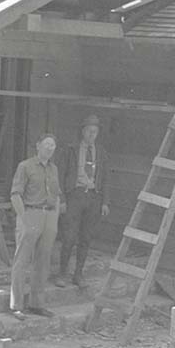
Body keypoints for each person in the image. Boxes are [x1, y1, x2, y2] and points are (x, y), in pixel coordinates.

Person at [8, 134, 63, 320]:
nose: (50, 148)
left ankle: (37, 304)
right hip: (31, 213)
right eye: (47, 144)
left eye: (53, 146)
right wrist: (24, 218)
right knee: (22, 260)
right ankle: (16, 305)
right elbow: (15, 194)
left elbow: (56, 194)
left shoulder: (53, 169)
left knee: (43, 260)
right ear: (38, 146)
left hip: (49, 215)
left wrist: (54, 215)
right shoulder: (25, 166)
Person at [55, 114, 111, 289]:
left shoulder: (101, 152)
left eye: (94, 132)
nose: (91, 135)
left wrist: (105, 202)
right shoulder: (71, 150)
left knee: (86, 237)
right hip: (75, 196)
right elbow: (60, 175)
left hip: (93, 197)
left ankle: (78, 274)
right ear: (82, 132)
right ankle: (62, 274)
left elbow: (106, 178)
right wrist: (62, 199)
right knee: (69, 236)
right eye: (88, 131)